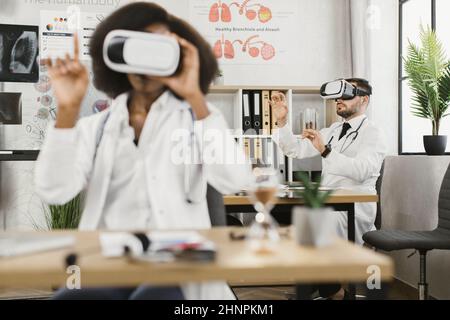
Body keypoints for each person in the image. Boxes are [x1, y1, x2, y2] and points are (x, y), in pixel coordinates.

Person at [34, 2, 252, 300]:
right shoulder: (95, 128)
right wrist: (68, 111)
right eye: (133, 49)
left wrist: (195, 97)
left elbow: (234, 181)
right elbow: (54, 191)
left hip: (177, 266)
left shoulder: (199, 118)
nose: (144, 63)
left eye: (157, 50)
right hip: (106, 264)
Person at [271, 78, 387, 299]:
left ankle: (333, 292)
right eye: (337, 96)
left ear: (364, 99)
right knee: (279, 212)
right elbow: (295, 150)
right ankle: (322, 285)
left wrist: (325, 151)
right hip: (326, 203)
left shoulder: (374, 133)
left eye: (347, 94)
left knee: (312, 226)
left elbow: (361, 170)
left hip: (352, 208)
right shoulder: (333, 129)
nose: (339, 100)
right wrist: (282, 121)